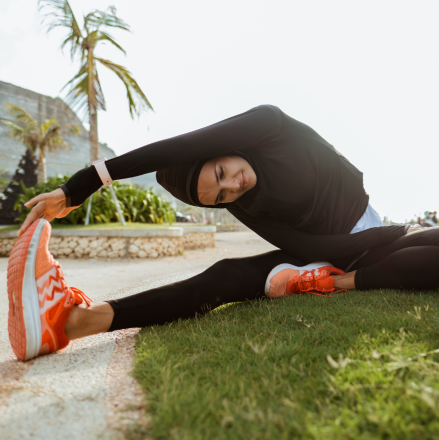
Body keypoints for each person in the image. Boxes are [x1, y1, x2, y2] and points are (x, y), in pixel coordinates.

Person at [7, 105, 437, 362]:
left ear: (223, 150)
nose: (234, 187)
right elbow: (303, 246)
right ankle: (67, 323)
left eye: (221, 172)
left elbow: (179, 146)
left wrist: (84, 182)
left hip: (372, 232)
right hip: (333, 251)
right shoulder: (241, 200)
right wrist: (361, 252)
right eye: (221, 197)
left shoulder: (270, 127)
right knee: (225, 276)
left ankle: (340, 278)